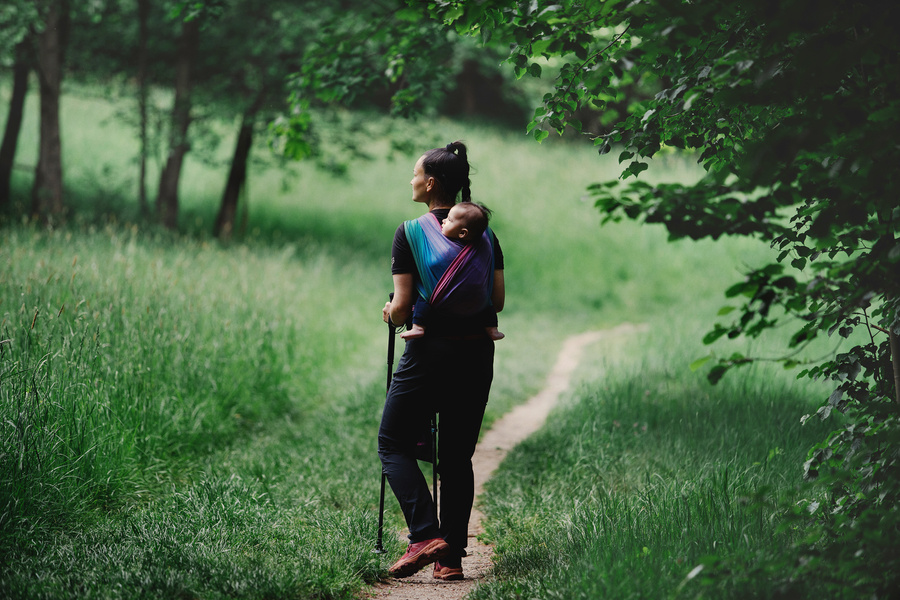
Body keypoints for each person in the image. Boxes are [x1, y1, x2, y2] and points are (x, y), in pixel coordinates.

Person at [379, 141, 505, 581]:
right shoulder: (485, 231)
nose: (411, 180)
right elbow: (498, 300)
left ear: (430, 183)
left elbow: (403, 306)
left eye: (415, 174)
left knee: (392, 444)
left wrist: (391, 311)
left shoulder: (410, 232)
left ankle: (424, 534)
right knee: (456, 456)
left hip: (428, 353)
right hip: (476, 352)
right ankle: (449, 560)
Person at [400, 201, 504, 342]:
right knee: (486, 304)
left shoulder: (442, 248)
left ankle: (418, 326)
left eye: (449, 220)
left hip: (441, 298)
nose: (443, 220)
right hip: (476, 297)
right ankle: (492, 328)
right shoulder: (484, 243)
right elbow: (497, 303)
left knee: (425, 296)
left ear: (462, 233)